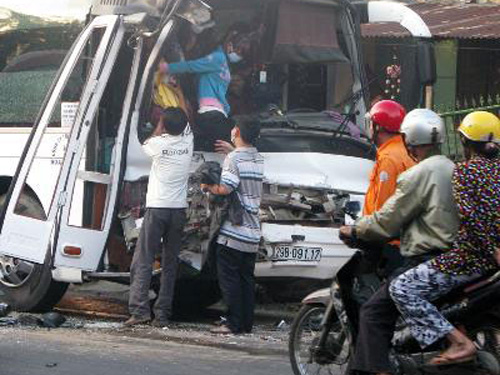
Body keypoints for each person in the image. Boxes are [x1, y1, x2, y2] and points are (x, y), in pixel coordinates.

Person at [339, 108, 460, 375]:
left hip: (425, 255)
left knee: (373, 312)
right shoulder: (452, 167)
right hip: (451, 255)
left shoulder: (417, 172)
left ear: (409, 138)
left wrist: (355, 229)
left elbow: (388, 217)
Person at [389, 111, 500, 366]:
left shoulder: (464, 172)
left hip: (468, 260)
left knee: (401, 288)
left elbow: (471, 219)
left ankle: (458, 342)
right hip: (489, 266)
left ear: (464, 141)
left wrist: (492, 249)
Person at [125, 107, 193, 327]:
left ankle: (139, 310)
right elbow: (187, 121)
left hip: (157, 209)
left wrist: (159, 126)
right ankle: (162, 313)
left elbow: (147, 143)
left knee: (143, 260)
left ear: (164, 126)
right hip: (178, 211)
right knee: (170, 263)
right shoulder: (188, 141)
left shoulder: (157, 144)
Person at [200, 117, 264, 334]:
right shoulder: (258, 157)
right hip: (253, 232)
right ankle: (245, 323)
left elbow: (226, 188)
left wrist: (208, 186)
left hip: (234, 232)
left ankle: (233, 323)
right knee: (246, 279)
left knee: (229, 279)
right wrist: (231, 152)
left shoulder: (234, 159)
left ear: (236, 131)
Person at [160, 26, 254, 149]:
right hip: (210, 114)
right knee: (241, 146)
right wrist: (167, 68)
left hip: (218, 114)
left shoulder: (224, 63)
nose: (239, 55)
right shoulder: (218, 58)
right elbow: (191, 66)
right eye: (238, 50)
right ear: (229, 45)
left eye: (243, 54)